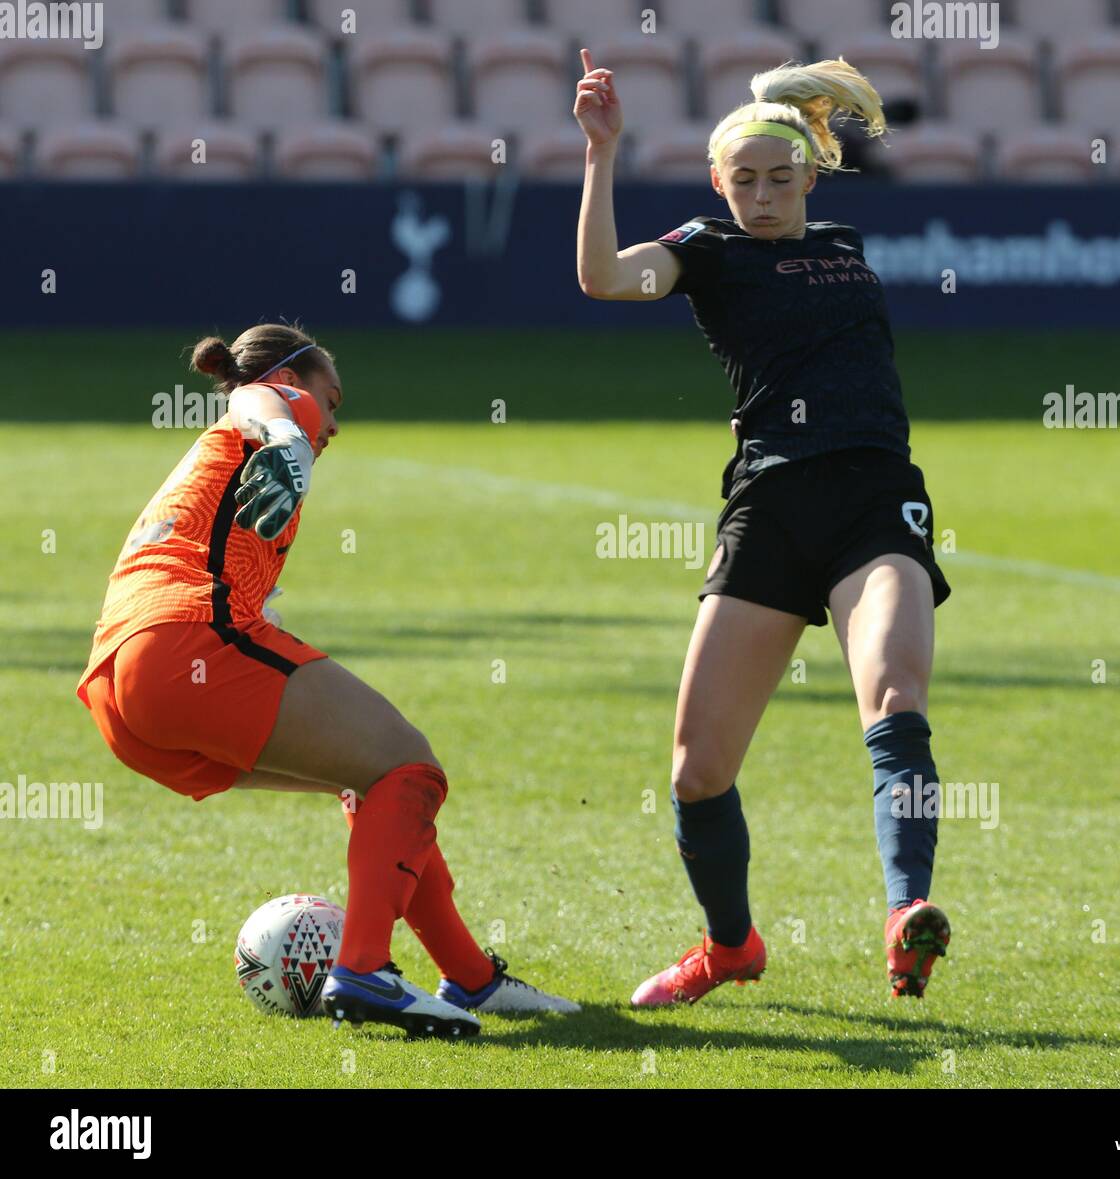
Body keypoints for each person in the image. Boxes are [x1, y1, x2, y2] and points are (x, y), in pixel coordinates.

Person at [574, 50, 953, 1003]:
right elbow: (604, 281)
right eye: (743, 179)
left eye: (780, 178)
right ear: (717, 182)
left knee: (896, 697)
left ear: (810, 177)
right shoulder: (707, 248)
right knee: (698, 772)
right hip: (771, 507)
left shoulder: (846, 247)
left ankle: (908, 910)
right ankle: (730, 945)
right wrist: (601, 154)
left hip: (874, 496)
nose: (762, 194)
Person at [75, 323, 579, 1037]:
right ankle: (365, 968)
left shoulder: (219, 466)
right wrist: (287, 435)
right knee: (410, 766)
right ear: (299, 379)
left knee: (373, 778)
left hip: (119, 693)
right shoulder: (278, 409)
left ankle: (471, 979)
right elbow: (262, 401)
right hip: (181, 640)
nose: (333, 421)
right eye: (332, 398)